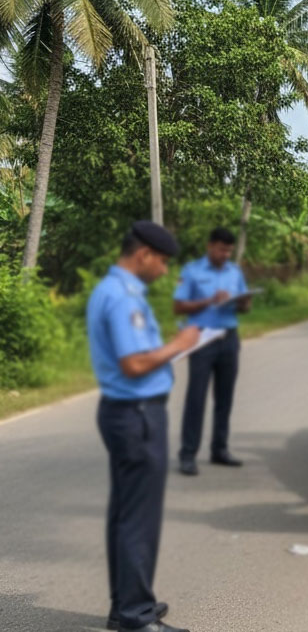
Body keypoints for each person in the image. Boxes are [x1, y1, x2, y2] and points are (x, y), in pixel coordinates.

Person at [87, 221, 199, 632]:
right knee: (139, 519)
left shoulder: (114, 290)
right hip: (137, 414)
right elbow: (133, 364)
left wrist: (165, 349)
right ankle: (136, 616)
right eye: (163, 262)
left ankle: (126, 606)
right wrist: (179, 345)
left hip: (125, 412)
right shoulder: (123, 298)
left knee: (125, 513)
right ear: (144, 255)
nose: (165, 271)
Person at [173, 227, 252, 476]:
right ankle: (188, 454)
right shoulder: (192, 271)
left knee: (225, 398)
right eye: (221, 249)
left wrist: (242, 302)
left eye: (229, 250)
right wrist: (208, 301)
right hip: (202, 339)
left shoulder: (234, 272)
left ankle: (220, 449)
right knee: (196, 398)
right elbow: (178, 306)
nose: (225, 255)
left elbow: (245, 307)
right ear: (210, 246)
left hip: (229, 338)